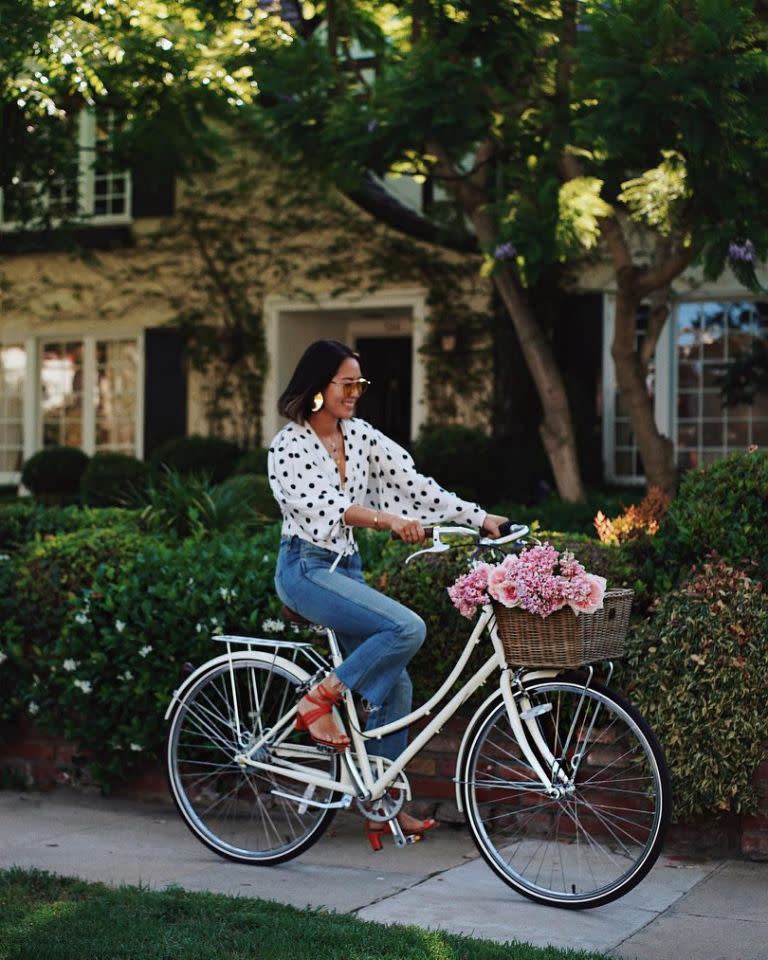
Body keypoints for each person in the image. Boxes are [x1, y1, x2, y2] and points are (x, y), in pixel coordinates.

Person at [268, 339, 507, 847]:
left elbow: (419, 487)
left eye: (360, 384)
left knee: (396, 685)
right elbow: (327, 507)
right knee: (406, 627)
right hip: (304, 568)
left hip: (344, 570)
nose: (355, 393)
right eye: (345, 383)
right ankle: (318, 701)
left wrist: (480, 518)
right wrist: (389, 521)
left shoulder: (360, 438)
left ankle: (379, 804)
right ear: (317, 387)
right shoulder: (288, 446)